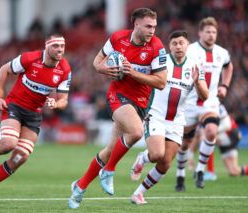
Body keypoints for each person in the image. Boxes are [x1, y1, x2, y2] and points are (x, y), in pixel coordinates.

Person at [69, 8, 167, 209]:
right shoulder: (117, 39)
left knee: (109, 150)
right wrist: (106, 69)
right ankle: (109, 170)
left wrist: (130, 71)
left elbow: (161, 82)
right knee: (137, 131)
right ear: (136, 24)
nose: (152, 31)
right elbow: (97, 62)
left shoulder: (157, 47)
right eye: (148, 26)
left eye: (154, 27)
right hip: (118, 96)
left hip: (141, 102)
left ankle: (79, 187)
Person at [0, 34, 72, 204]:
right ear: (47, 46)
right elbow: (4, 69)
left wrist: (56, 103)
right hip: (14, 107)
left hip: (33, 116)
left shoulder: (65, 69)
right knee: (8, 144)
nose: (60, 49)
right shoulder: (29, 58)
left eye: (62, 46)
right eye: (56, 46)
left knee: (20, 157)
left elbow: (64, 100)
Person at [129, 30, 208, 204]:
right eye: (174, 43)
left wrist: (197, 83)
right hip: (156, 116)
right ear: (169, 46)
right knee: (157, 153)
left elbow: (205, 96)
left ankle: (138, 193)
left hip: (177, 121)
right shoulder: (161, 61)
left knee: (165, 164)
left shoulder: (195, 66)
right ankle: (142, 158)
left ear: (188, 45)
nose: (178, 46)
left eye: (181, 43)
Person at [175, 17, 233, 191]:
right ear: (200, 33)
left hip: (210, 103)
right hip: (189, 103)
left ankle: (200, 170)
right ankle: (180, 174)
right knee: (185, 144)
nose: (211, 35)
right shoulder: (190, 50)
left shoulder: (222, 52)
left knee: (211, 131)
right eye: (207, 31)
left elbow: (228, 67)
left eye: (214, 32)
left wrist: (224, 86)